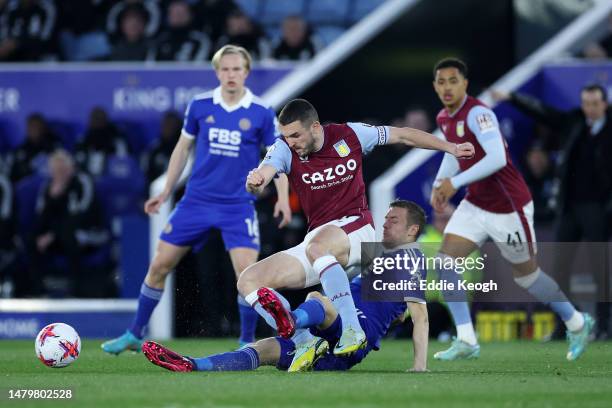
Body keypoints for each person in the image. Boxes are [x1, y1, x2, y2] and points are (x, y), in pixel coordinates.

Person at [236, 98, 473, 356]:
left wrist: (451, 147)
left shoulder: (350, 134)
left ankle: (352, 330)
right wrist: (256, 181)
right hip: (320, 242)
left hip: (357, 229)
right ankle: (301, 341)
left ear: (315, 127)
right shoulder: (284, 148)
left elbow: (404, 136)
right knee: (249, 280)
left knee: (319, 248)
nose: (290, 141)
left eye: (295, 135)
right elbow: (266, 171)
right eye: (286, 136)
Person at [101, 45, 291, 354]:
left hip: (237, 205)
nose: (231, 75)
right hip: (196, 202)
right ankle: (135, 332)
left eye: (237, 69)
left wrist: (282, 198)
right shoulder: (200, 105)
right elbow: (182, 149)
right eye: (225, 69)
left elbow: (277, 158)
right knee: (160, 265)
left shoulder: (260, 112)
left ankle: (245, 342)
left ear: (247, 72)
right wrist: (164, 191)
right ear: (217, 72)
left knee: (248, 275)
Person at [429, 57, 594, 361]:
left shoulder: (479, 113)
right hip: (476, 203)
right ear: (435, 86)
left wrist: (455, 182)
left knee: (527, 277)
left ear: (465, 83)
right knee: (445, 263)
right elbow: (454, 152)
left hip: (508, 207)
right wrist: (441, 183)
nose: (447, 87)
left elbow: (497, 159)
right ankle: (467, 339)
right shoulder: (444, 117)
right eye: (441, 82)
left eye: (453, 81)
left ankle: (578, 321)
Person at [142, 200, 430, 373]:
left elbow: (420, 316)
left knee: (318, 297)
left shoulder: (412, 259)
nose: (385, 224)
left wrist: (419, 365)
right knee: (263, 349)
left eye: (393, 220)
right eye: (386, 218)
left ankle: (291, 320)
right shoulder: (376, 256)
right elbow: (400, 310)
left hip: (354, 335)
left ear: (412, 230)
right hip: (331, 351)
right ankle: (194, 364)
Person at [491, 83, 612, 339]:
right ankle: (566, 324)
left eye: (594, 103)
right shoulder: (574, 123)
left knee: (601, 268)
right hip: (569, 207)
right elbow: (543, 113)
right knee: (559, 269)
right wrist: (513, 96)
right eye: (586, 103)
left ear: (604, 104)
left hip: (598, 209)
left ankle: (604, 326)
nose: (589, 109)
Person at [30, 149, 112, 297]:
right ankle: (36, 289)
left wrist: (52, 234)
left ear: (71, 168)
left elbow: (82, 215)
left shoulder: (83, 182)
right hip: (57, 236)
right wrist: (53, 198)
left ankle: (76, 289)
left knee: (70, 234)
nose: (59, 174)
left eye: (62, 170)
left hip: (89, 232)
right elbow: (40, 219)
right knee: (31, 238)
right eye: (55, 170)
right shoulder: (47, 187)